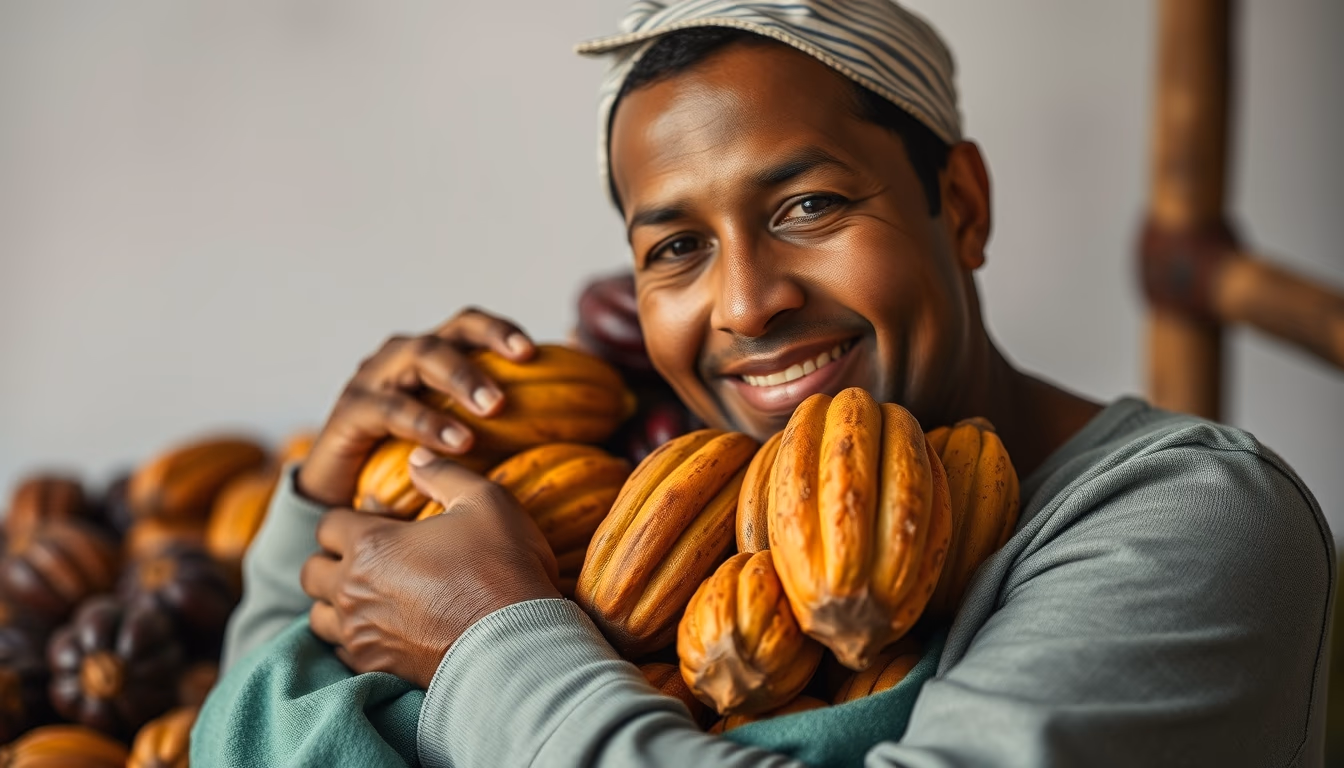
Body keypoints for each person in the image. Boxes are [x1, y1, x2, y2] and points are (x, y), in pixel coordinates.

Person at [192, 2, 1334, 766]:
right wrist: (315, 508)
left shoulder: (1192, 521)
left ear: (964, 207)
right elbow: (264, 729)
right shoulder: (682, 525)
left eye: (809, 208)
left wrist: (495, 641)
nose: (745, 305)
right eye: (676, 248)